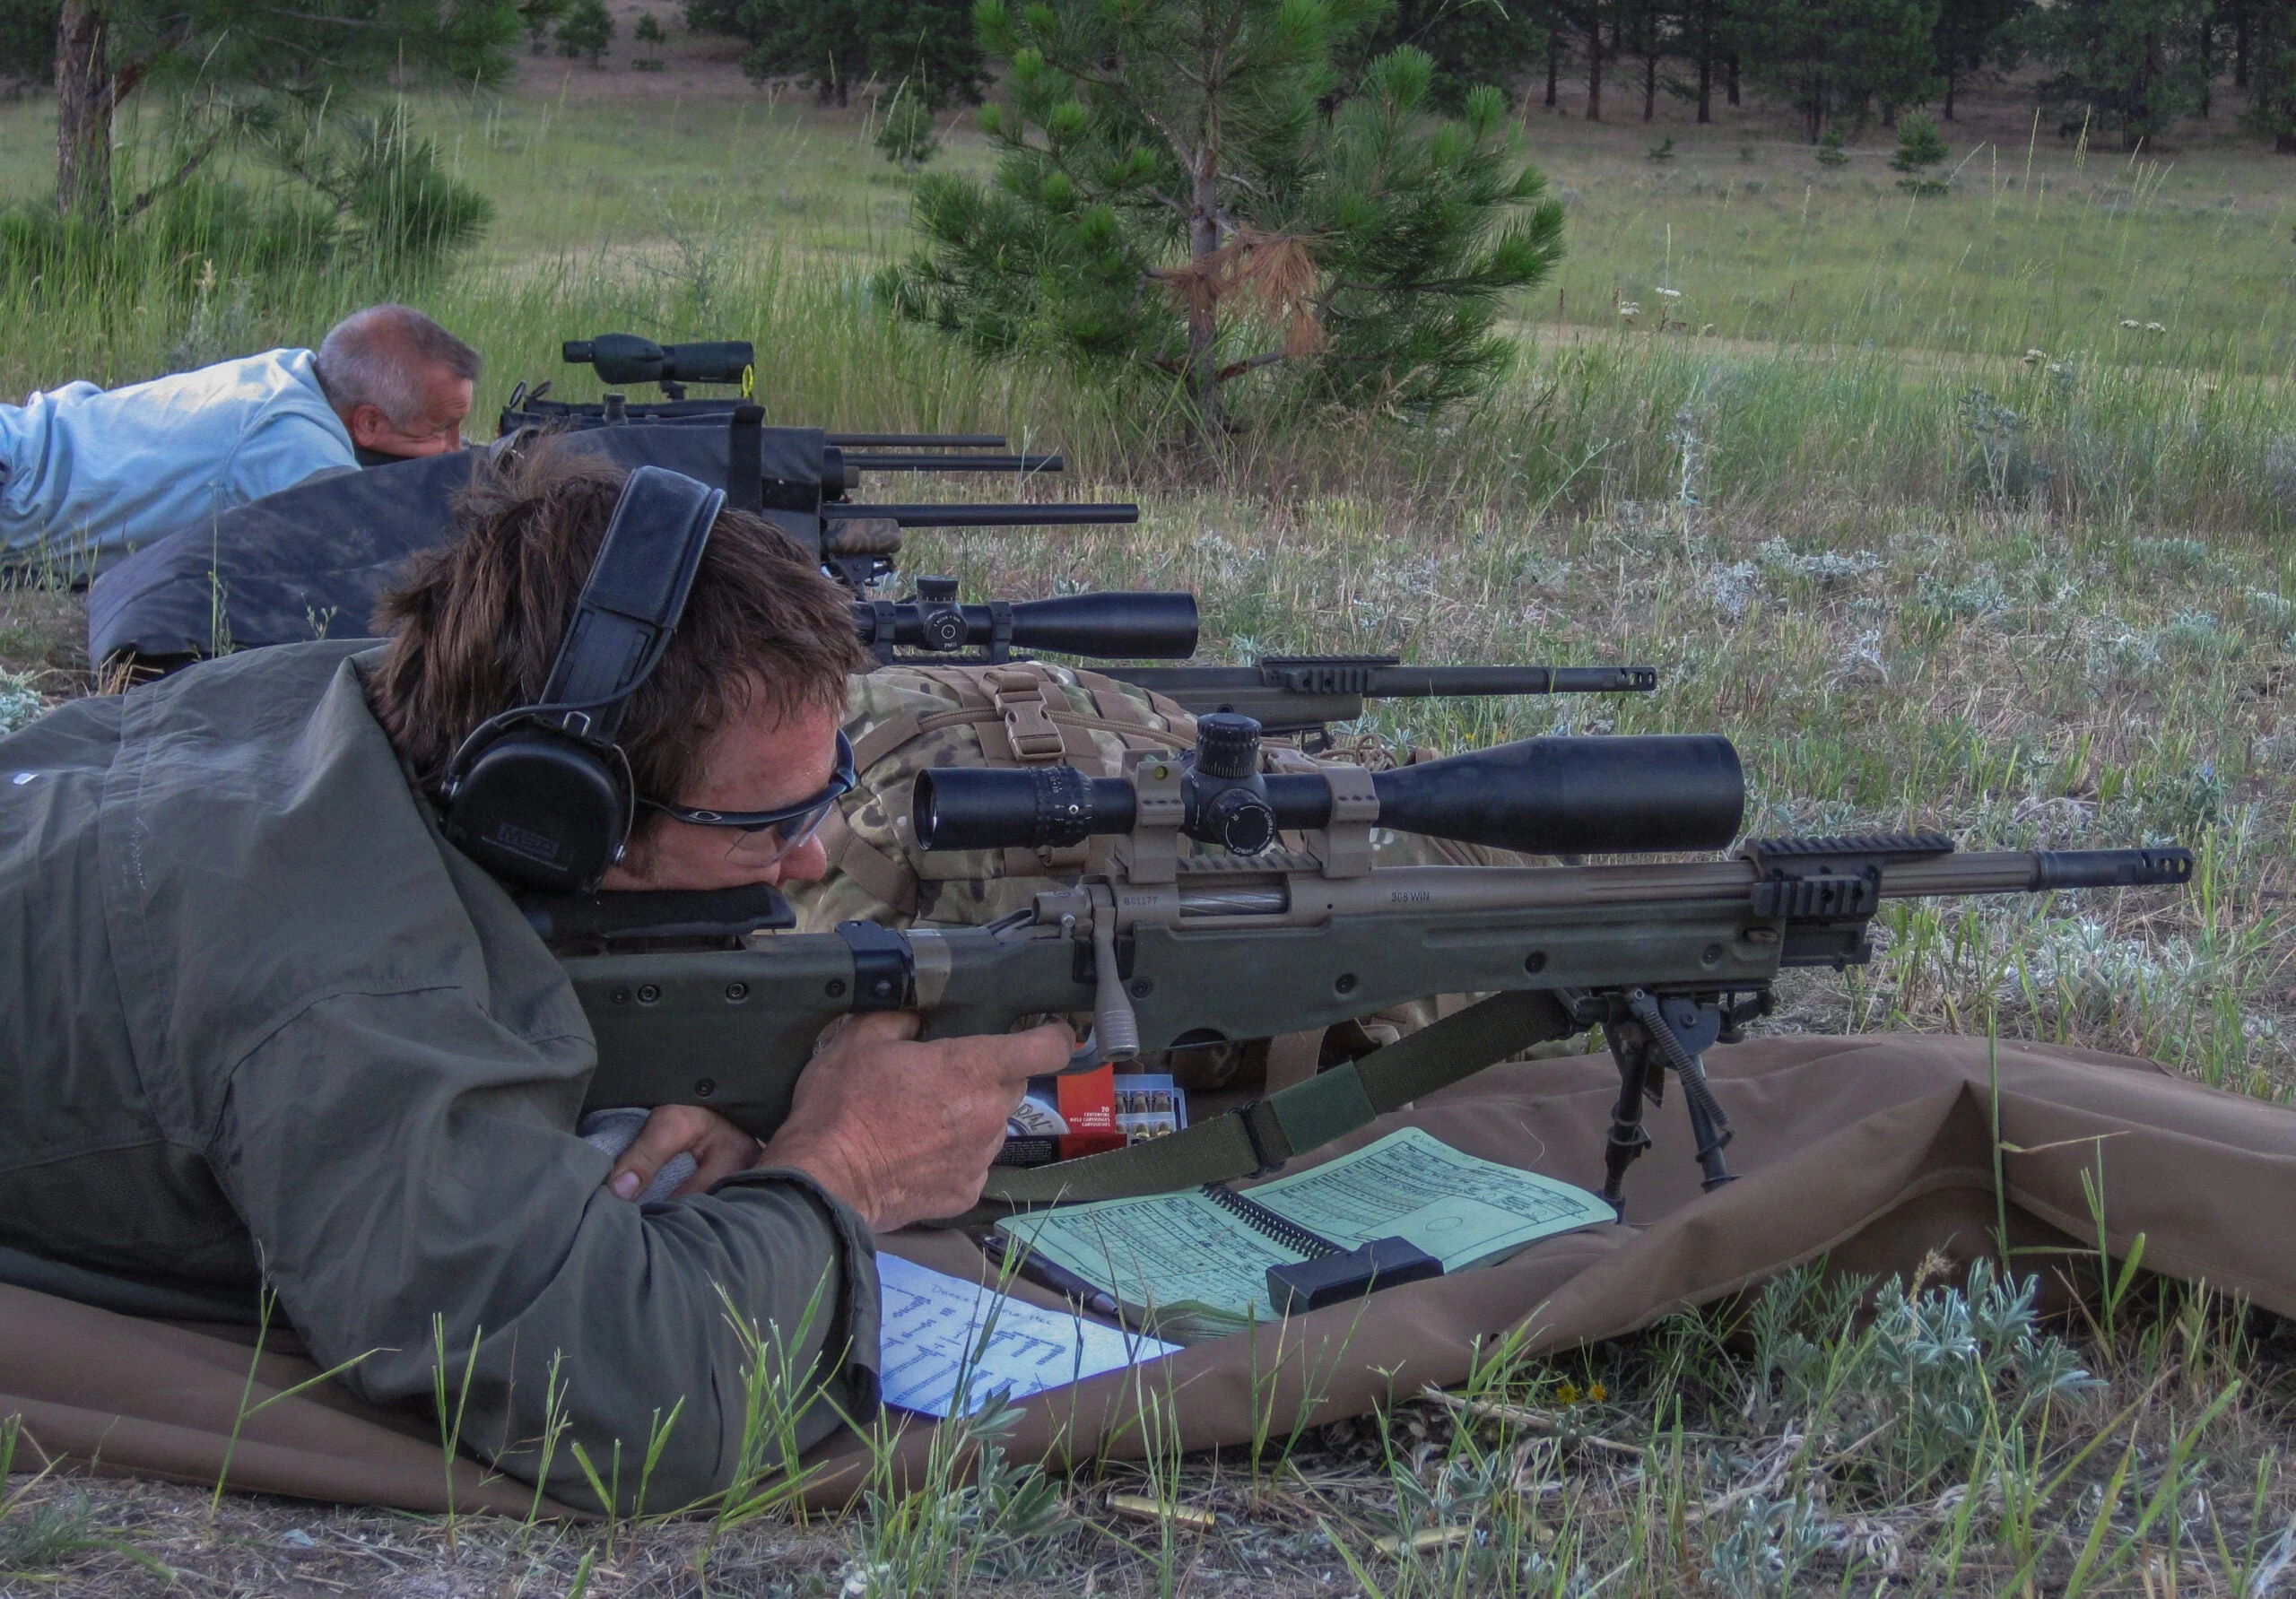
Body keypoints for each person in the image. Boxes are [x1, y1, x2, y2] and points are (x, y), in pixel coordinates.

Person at [0, 445, 1070, 1507]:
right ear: (557, 814)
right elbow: (632, 1409)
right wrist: (849, 1164)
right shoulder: (353, 996)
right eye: (764, 823)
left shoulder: (315, 706)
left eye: (825, 788)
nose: (810, 857)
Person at [0, 303, 478, 571]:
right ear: (369, 423)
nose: (455, 447)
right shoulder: (293, 444)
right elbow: (388, 559)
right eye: (441, 431)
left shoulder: (290, 373)